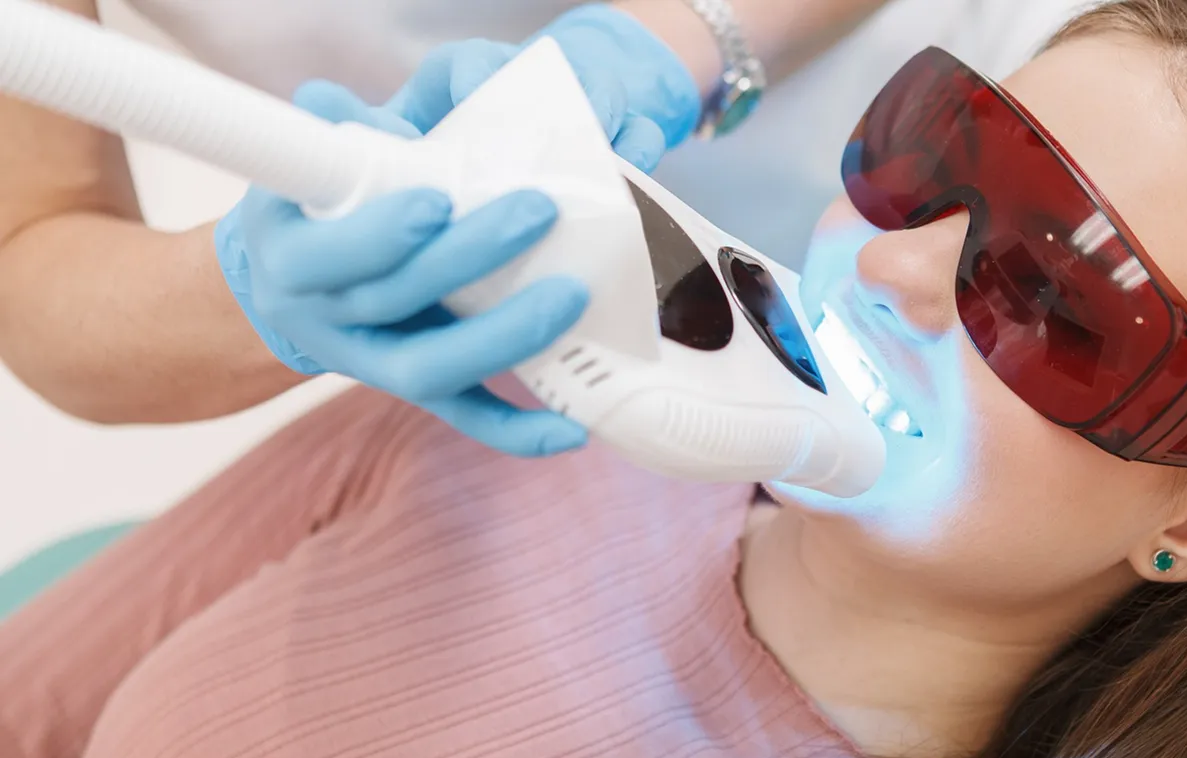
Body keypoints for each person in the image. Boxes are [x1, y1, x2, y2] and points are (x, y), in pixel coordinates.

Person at [0, 1, 1187, 758]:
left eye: (1054, 301)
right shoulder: (508, 424)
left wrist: (673, 40)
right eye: (930, 166)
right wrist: (237, 292)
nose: (898, 271)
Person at [0, 0, 1075, 454]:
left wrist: (670, 40)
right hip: (557, 321)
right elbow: (32, 258)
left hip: (1002, 146)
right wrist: (252, 295)